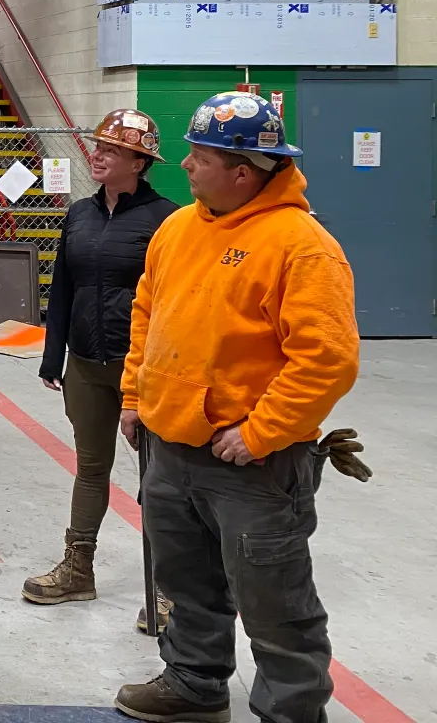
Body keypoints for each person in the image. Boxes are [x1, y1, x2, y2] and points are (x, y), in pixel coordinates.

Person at [114, 91, 360, 723]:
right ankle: (194, 683)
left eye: (198, 157)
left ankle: (292, 711)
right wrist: (136, 397)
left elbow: (327, 359)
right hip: (170, 449)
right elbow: (149, 314)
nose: (186, 167)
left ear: (243, 171)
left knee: (275, 601)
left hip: (251, 465)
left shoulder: (300, 246)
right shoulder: (179, 228)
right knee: (187, 584)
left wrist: (262, 432)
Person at [24, 109, 176, 628]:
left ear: (139, 162)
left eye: (110, 150)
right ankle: (78, 568)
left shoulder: (168, 221)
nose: (98, 155)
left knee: (158, 480)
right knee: (91, 469)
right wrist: (53, 353)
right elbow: (62, 287)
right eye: (98, 147)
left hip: (146, 369)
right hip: (86, 365)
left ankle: (167, 591)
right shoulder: (80, 215)